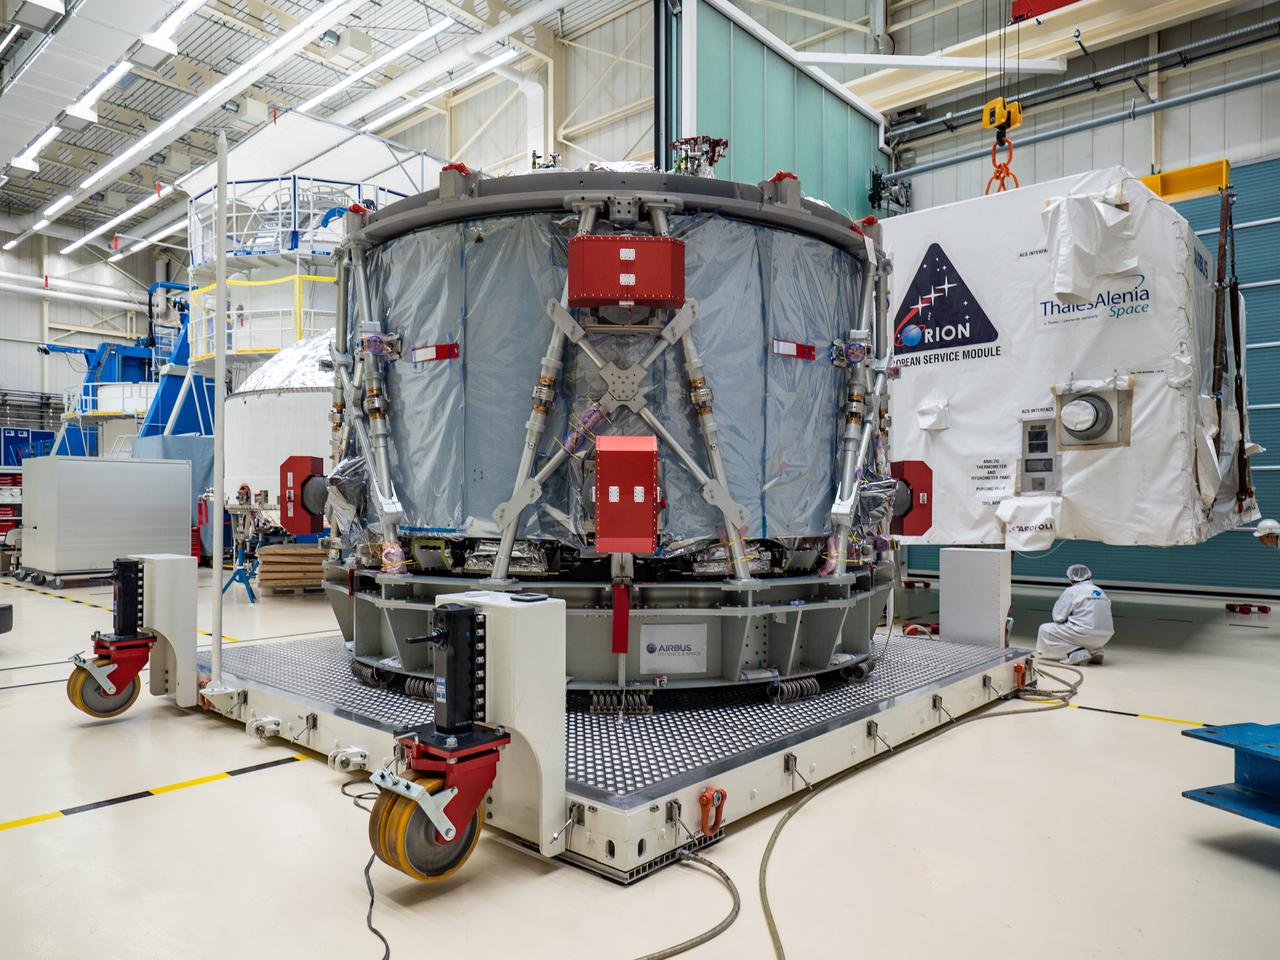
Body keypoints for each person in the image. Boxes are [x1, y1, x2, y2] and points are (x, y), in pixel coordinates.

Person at [1036, 564, 1113, 665]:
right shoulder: (1099, 590)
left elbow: (1058, 617)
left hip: (1084, 633)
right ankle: (1096, 652)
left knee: (1045, 629)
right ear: (1089, 576)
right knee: (1085, 633)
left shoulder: (1072, 591)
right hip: (1105, 636)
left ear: (1071, 579)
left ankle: (1076, 652)